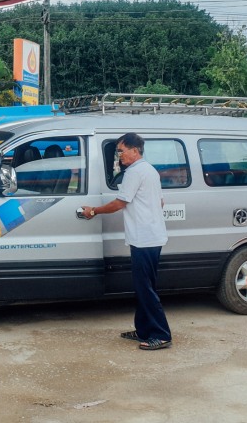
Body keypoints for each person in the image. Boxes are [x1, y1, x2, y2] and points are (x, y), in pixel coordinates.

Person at [81, 132, 172, 350]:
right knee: (143, 287)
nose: (119, 155)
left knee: (145, 289)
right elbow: (159, 202)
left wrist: (93, 211)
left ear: (134, 150)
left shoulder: (134, 172)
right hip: (151, 237)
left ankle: (161, 335)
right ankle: (144, 330)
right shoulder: (149, 170)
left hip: (144, 239)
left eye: (121, 151)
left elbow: (119, 203)